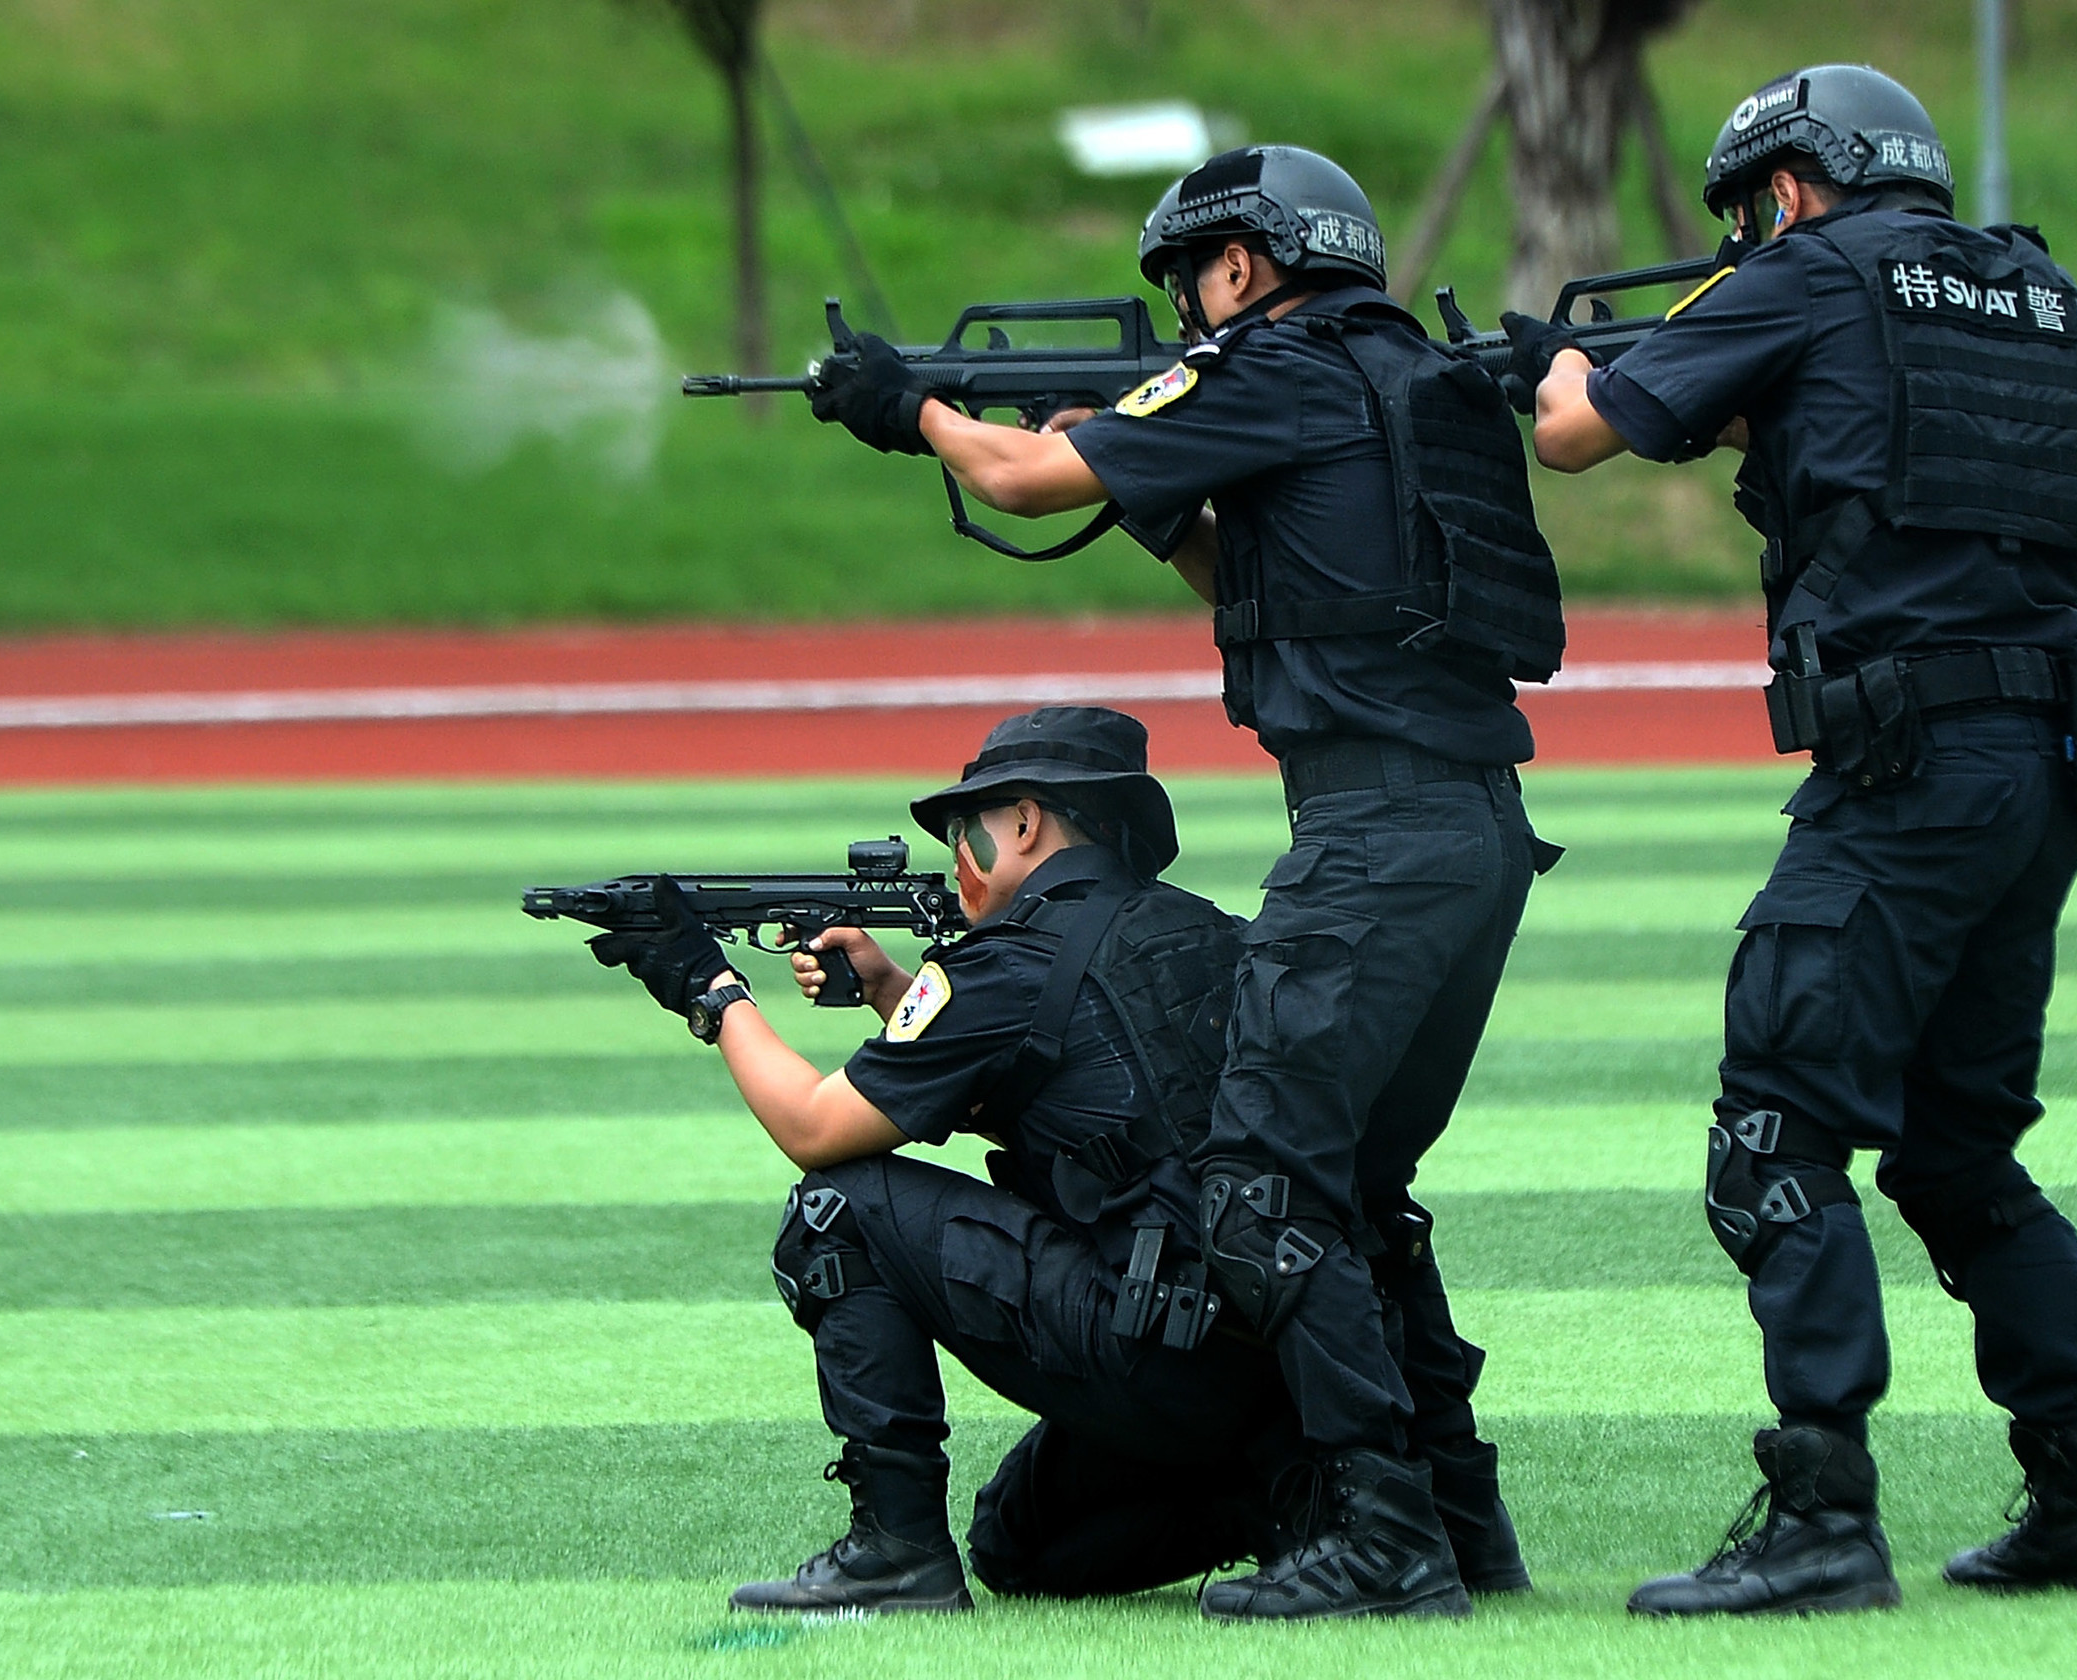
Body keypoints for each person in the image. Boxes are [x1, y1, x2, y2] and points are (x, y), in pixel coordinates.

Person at [807, 145, 1561, 1621]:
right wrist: (1158, 488)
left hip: (1368, 833)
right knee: (1355, 1186)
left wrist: (915, 411)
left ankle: (1381, 1532)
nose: (1190, 308)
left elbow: (1022, 482)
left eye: (1195, 273)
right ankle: (1456, 1521)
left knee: (1264, 1180)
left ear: (1249, 261)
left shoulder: (1277, 364)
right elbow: (1280, 595)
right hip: (1473, 832)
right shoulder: (1410, 387)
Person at [1506, 65, 2077, 1615]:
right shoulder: (2034, 294)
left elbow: (1580, 435)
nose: (1746, 235)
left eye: (1753, 208)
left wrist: (1559, 364)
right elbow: (1882, 454)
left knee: (1776, 1131)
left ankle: (1821, 1518)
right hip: (2044, 757)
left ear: (1792, 189)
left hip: (1908, 768)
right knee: (1960, 1152)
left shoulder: (1809, 269)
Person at [584, 706, 1298, 1614]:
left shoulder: (1006, 966)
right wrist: (894, 991)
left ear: (1028, 823)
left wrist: (712, 990)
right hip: (1263, 1358)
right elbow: (1091, 1103)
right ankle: (1283, 1507)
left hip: (1151, 1344)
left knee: (838, 1206)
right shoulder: (1204, 933)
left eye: (969, 829)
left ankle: (894, 1555)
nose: (959, 851)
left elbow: (811, 1126)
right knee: (1021, 1546)